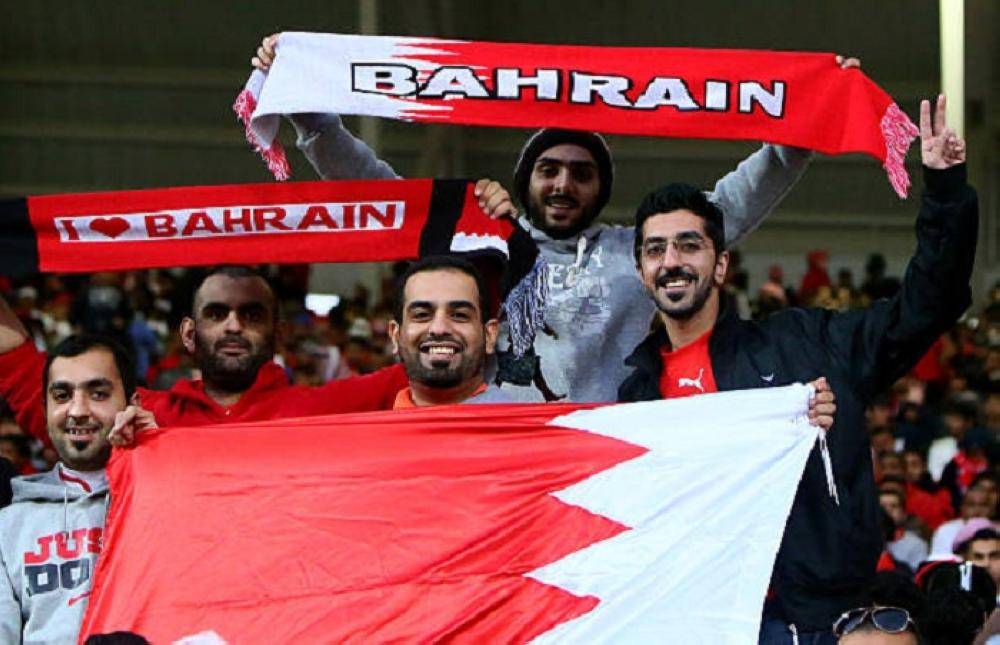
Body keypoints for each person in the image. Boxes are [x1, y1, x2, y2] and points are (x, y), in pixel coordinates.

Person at [251, 35, 862, 403]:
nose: (564, 182)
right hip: (497, 458)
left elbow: (729, 205)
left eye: (581, 172)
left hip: (606, 465)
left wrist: (802, 122)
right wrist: (313, 119)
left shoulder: (643, 252)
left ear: (600, 189)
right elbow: (384, 194)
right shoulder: (480, 243)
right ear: (527, 180)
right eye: (548, 169)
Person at [619, 95, 975, 642]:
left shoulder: (806, 345)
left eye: (689, 246)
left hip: (817, 620)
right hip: (697, 620)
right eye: (656, 250)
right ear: (643, 272)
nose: (671, 261)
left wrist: (946, 191)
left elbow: (926, 307)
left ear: (720, 265)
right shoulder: (633, 396)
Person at [0, 334, 150, 643]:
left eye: (98, 394)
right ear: (45, 408)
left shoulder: (164, 502)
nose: (77, 410)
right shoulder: (8, 524)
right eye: (62, 395)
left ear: (132, 404)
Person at [389, 256, 511, 407]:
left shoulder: (524, 427)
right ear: (395, 335)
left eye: (459, 315)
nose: (439, 329)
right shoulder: (370, 428)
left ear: (490, 336)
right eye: (422, 315)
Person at [933, 488, 997, 557]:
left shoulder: (997, 530)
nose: (977, 510)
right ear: (962, 508)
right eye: (971, 505)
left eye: (983, 505)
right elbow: (940, 562)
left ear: (992, 509)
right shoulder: (946, 530)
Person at [953, 518, 1000, 590]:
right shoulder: (954, 598)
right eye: (978, 557)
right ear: (965, 560)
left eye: (994, 556)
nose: (986, 563)